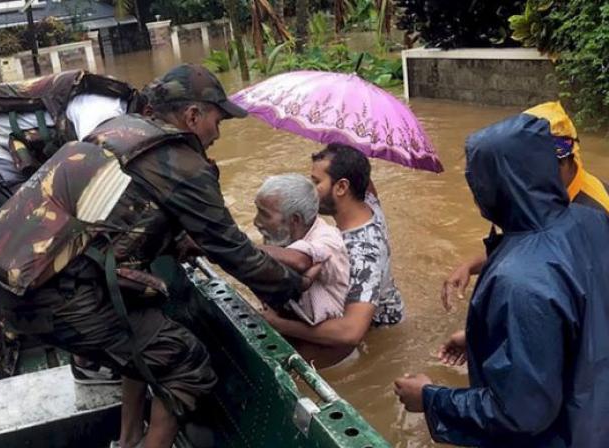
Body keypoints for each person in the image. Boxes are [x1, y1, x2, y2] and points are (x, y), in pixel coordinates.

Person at [0, 64, 305, 448]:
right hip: (59, 300)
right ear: (193, 115)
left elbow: (123, 217)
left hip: (17, 286)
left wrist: (179, 242)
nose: (216, 134)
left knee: (148, 328)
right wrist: (292, 286)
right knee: (185, 363)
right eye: (216, 121)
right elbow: (235, 253)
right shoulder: (182, 163)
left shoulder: (116, 131)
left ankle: (127, 441)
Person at [394, 109, 609, 447]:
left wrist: (431, 399)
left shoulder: (520, 279)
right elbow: (583, 317)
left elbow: (520, 413)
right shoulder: (590, 221)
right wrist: (484, 336)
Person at [438, 101, 609, 367]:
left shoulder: (591, 214)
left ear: (564, 159)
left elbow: (582, 312)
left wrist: (489, 339)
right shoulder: (541, 197)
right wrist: (470, 265)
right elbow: (522, 242)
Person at [260, 144, 404, 368]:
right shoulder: (366, 201)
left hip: (377, 331)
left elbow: (351, 332)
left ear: (342, 187)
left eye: (316, 183)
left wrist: (278, 324)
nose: (310, 190)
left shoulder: (362, 251)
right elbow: (361, 175)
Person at [0, 70, 140, 204]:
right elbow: (93, 161)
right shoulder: (104, 110)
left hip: (20, 155)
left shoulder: (121, 109)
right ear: (148, 110)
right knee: (37, 214)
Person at [253, 173, 349, 327]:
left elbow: (300, 261)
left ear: (295, 220)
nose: (256, 222)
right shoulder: (279, 237)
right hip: (293, 325)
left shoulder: (328, 239)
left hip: (325, 343)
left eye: (264, 214)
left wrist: (240, 248)